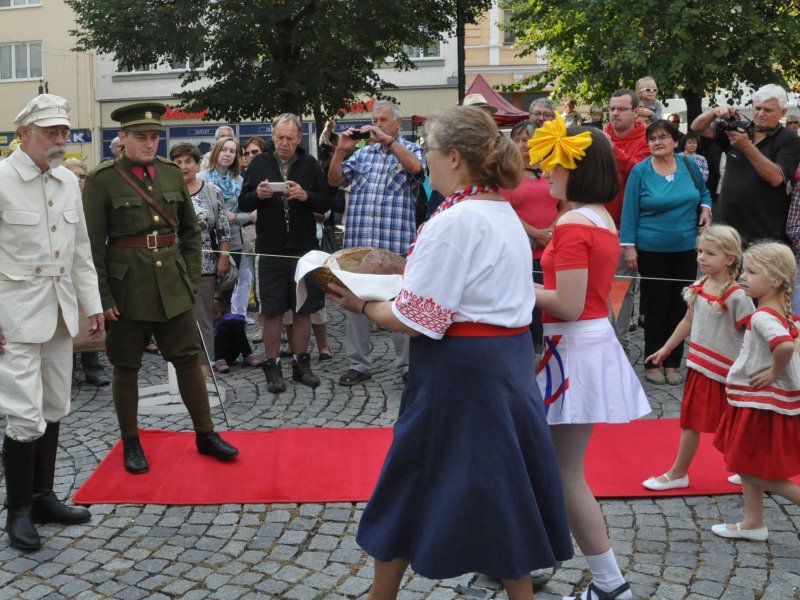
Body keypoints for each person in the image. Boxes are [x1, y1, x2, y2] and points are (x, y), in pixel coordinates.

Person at [326, 104, 572, 600]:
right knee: (503, 493)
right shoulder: (501, 211)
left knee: (411, 484)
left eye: (430, 150)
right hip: (502, 370)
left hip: (460, 377)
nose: (427, 160)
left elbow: (416, 320)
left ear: (455, 157)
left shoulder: (456, 220)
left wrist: (362, 303)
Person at [83, 102, 239, 475]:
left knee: (188, 359)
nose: (150, 143)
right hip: (126, 290)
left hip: (171, 285)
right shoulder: (102, 180)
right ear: (123, 138)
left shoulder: (170, 173)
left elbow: (190, 232)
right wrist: (103, 296)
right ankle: (131, 441)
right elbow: (92, 246)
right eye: (141, 137)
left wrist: (188, 278)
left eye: (154, 137)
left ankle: (205, 433)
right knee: (126, 366)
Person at [531, 114, 651, 600]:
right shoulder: (595, 216)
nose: (546, 171)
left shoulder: (574, 223)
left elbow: (567, 303)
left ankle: (609, 584)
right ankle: (536, 557)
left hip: (573, 347)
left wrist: (511, 287)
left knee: (563, 471)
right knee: (553, 466)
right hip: (579, 345)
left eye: (554, 163)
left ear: (575, 169)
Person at [0, 94, 103, 551]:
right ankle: (18, 511)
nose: (60, 140)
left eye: (64, 131)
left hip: (60, 313)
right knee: (24, 413)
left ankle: (43, 498)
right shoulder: (2, 179)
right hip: (14, 316)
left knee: (55, 404)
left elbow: (81, 251)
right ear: (24, 133)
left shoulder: (65, 182)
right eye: (50, 132)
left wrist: (92, 304)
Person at [642, 225, 753, 491]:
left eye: (710, 253)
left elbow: (752, 331)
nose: (701, 257)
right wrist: (666, 349)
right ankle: (679, 472)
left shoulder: (738, 295)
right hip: (699, 366)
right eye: (700, 251)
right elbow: (688, 321)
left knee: (735, 423)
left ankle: (748, 468)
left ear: (730, 259)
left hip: (727, 372)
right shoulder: (699, 285)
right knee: (691, 423)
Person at [327, 100, 425, 386]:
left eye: (383, 120)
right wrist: (340, 151)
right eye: (374, 120)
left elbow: (418, 170)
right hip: (360, 247)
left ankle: (408, 366)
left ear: (397, 123)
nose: (377, 125)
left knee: (399, 305)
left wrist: (389, 142)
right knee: (355, 308)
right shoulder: (363, 154)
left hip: (394, 247)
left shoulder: (412, 150)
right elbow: (334, 181)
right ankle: (358, 364)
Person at [712, 242, 800, 542]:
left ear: (775, 280)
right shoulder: (776, 312)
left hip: (761, 405)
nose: (743, 277)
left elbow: (783, 346)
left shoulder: (763, 316)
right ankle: (753, 522)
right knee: (748, 463)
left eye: (751, 272)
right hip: (759, 402)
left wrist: (774, 372)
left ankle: (755, 521)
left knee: (749, 469)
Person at [239, 113, 331, 392]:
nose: (284, 143)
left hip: (303, 249)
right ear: (272, 136)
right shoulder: (259, 163)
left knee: (303, 308)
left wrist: (306, 196)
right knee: (272, 311)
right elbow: (244, 202)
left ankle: (302, 365)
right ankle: (273, 367)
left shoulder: (309, 163)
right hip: (271, 249)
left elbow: (326, 202)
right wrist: (258, 195)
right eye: (280, 137)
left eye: (290, 138)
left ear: (299, 138)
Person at [620, 119, 712, 385]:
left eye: (662, 137)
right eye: (652, 138)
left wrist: (706, 209)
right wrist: (629, 247)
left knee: (681, 306)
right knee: (656, 307)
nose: (657, 142)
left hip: (686, 249)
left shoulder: (689, 165)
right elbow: (629, 211)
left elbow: (704, 193)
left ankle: (672, 362)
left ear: (675, 141)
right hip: (651, 250)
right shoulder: (640, 171)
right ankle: (653, 362)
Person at [691, 83, 800, 245]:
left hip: (764, 229)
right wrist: (715, 112)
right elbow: (697, 127)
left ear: (783, 112)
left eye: (768, 110)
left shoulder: (789, 139)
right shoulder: (738, 129)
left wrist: (746, 147)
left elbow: (776, 178)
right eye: (757, 108)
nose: (760, 113)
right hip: (727, 225)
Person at [502, 120, 568, 353]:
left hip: (550, 248)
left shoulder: (551, 170)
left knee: (547, 302)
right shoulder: (506, 175)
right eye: (518, 140)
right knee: (524, 303)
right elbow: (503, 210)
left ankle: (546, 349)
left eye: (528, 140)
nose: (523, 145)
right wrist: (535, 232)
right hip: (520, 250)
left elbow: (565, 205)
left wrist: (551, 230)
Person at [604, 90, 651, 350]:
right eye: (612, 108)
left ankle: (620, 343)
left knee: (623, 287)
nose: (615, 113)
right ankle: (605, 340)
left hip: (633, 225)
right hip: (602, 222)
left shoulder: (646, 139)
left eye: (621, 109)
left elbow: (640, 172)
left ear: (636, 112)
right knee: (603, 285)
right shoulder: (600, 137)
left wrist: (613, 150)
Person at [63, 157, 112, 388]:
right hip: (65, 268)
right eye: (74, 175)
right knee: (68, 320)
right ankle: (68, 369)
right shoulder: (61, 198)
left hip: (90, 265)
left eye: (82, 176)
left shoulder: (92, 201)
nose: (78, 180)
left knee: (91, 315)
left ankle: (93, 368)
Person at [199, 137, 253, 322]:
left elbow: (249, 214)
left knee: (227, 296)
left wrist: (235, 217)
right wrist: (220, 216)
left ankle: (226, 332)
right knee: (209, 295)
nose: (227, 154)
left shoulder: (239, 180)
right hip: (209, 244)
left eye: (232, 151)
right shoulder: (201, 178)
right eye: (224, 150)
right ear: (215, 152)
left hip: (234, 243)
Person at [212, 296, 259, 373]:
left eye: (215, 313)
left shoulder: (225, 319)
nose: (212, 317)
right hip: (216, 355)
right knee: (223, 328)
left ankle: (247, 354)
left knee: (236, 324)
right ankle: (220, 360)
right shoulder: (206, 324)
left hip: (230, 353)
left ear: (222, 311)